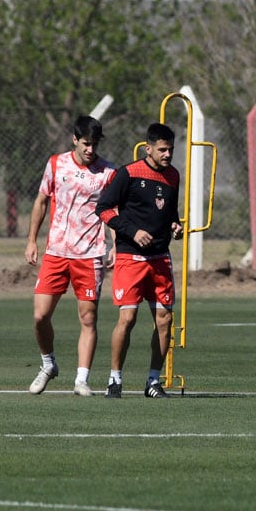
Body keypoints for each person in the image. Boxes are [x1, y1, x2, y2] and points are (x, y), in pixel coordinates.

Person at [24, 115, 118, 397]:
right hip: (56, 252)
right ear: (75, 139)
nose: (91, 149)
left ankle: (82, 379)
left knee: (88, 318)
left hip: (89, 254)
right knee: (40, 316)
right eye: (86, 143)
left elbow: (115, 210)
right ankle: (48, 365)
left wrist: (116, 243)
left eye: (95, 144)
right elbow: (41, 201)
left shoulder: (108, 173)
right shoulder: (56, 164)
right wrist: (31, 240)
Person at [95, 122, 183, 399]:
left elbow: (169, 213)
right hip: (130, 258)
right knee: (128, 318)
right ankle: (114, 380)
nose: (168, 154)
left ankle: (153, 382)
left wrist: (175, 226)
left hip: (160, 259)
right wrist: (132, 231)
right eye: (162, 149)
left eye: (171, 149)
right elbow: (104, 209)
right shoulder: (128, 173)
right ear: (149, 148)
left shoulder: (173, 176)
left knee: (165, 320)